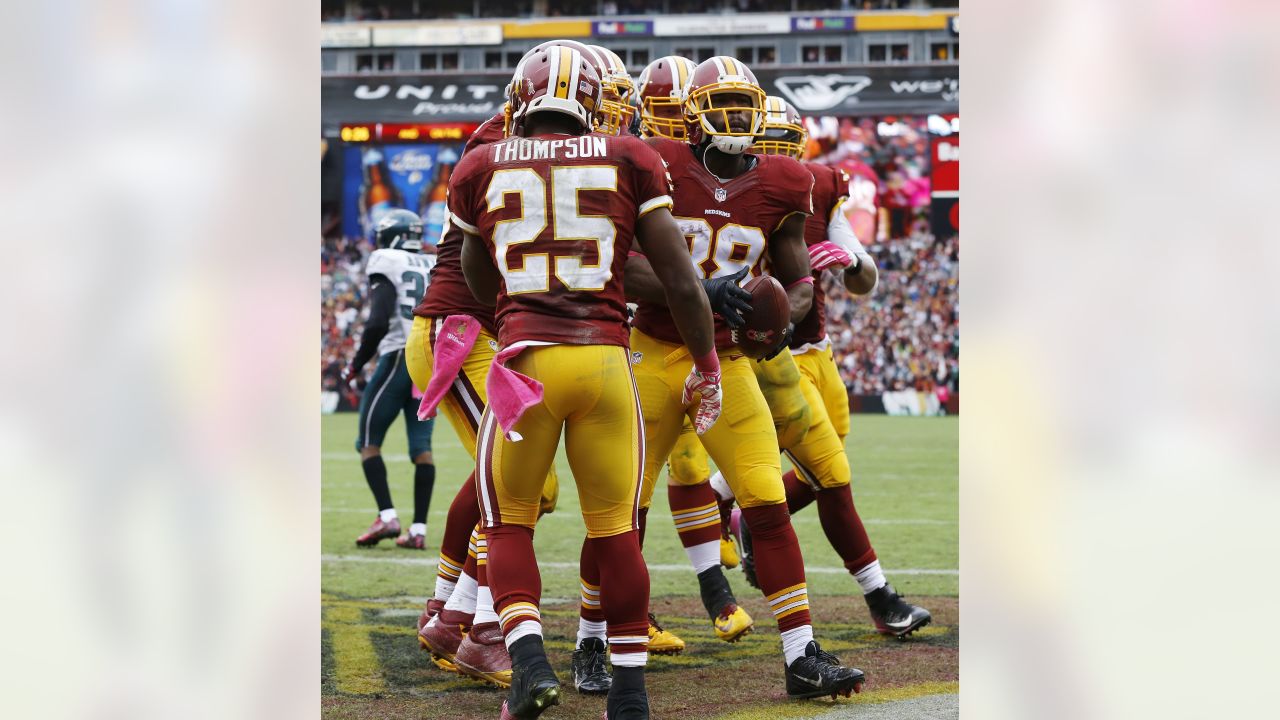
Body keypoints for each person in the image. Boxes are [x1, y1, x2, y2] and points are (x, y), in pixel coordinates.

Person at [452, 45, 721, 720]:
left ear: (522, 101)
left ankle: (532, 665)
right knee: (615, 533)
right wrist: (708, 362)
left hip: (525, 365)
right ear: (595, 103)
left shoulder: (480, 162)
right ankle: (628, 696)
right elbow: (683, 283)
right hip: (604, 361)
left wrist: (520, 293)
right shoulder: (630, 157)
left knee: (507, 524)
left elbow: (477, 279)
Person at [624, 56, 865, 699]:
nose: (732, 117)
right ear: (692, 114)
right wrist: (696, 289)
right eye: (720, 103)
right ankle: (600, 641)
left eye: (742, 103)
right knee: (623, 508)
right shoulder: (656, 162)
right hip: (654, 349)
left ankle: (800, 652)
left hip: (728, 360)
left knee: (764, 499)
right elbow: (620, 264)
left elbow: (798, 280)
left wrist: (781, 319)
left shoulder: (786, 182)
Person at [732, 96, 933, 638]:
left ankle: (735, 518)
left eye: (784, 148)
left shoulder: (819, 186)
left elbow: (864, 282)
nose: (775, 159)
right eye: (765, 147)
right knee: (829, 477)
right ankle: (880, 596)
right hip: (761, 359)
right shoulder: (724, 189)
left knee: (824, 469)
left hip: (815, 351)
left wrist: (854, 261)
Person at [343, 209, 438, 549]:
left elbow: (378, 323)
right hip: (429, 364)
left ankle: (386, 516)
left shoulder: (386, 258)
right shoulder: (432, 262)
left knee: (368, 443)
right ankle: (419, 531)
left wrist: (354, 365)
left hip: (398, 356)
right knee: (422, 450)